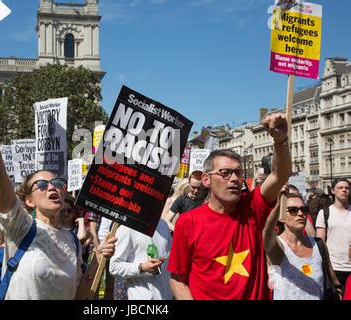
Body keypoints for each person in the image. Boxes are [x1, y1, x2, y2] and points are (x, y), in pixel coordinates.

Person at [0, 100, 117, 299]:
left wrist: (98, 259)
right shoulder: (21, 227)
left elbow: (80, 296)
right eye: (41, 185)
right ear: (29, 201)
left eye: (56, 182)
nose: (51, 187)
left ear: (64, 192)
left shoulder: (73, 241)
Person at [167, 112, 292, 300]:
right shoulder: (187, 222)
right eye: (225, 173)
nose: (234, 179)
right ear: (206, 180)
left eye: (238, 173)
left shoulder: (252, 208)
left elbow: (279, 176)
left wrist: (281, 141)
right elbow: (177, 279)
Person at [263, 193, 341, 300]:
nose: (300, 213)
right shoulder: (278, 246)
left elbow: (332, 278)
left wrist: (339, 291)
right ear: (281, 217)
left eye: (303, 209)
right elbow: (267, 233)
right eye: (293, 210)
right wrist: (278, 204)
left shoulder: (318, 244)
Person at [109, 217, 172, 300]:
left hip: (166, 296)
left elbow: (170, 257)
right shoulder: (127, 227)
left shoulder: (163, 224)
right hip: (141, 297)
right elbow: (114, 267)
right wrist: (141, 268)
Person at [316, 178, 351, 295]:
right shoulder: (325, 213)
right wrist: (326, 267)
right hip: (333, 268)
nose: (344, 190)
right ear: (332, 191)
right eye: (340, 188)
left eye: (346, 188)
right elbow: (320, 244)